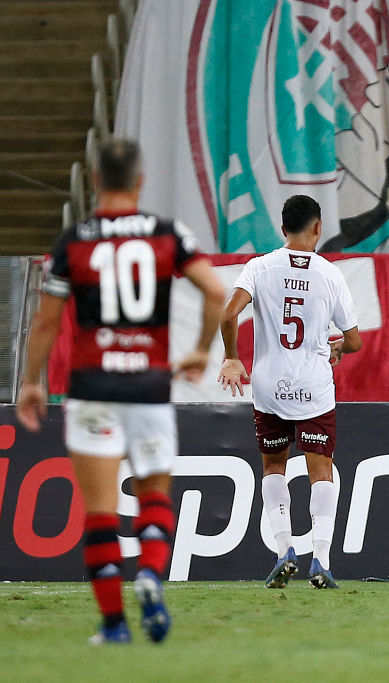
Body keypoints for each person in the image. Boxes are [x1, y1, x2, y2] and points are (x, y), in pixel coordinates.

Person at [15, 138, 225, 644]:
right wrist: (199, 349)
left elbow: (45, 324)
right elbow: (216, 293)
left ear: (93, 180)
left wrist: (30, 382)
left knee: (101, 511)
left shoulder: (74, 241)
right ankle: (150, 575)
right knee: (155, 496)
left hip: (91, 389)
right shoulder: (167, 233)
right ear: (140, 180)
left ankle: (113, 625)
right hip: (149, 387)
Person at [219, 194, 361, 590]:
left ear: (282, 229)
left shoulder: (259, 266)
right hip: (313, 386)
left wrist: (232, 358)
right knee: (321, 470)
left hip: (269, 386)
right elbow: (353, 340)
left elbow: (229, 314)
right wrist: (336, 348)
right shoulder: (330, 274)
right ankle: (322, 560)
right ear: (318, 228)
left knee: (273, 467)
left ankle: (284, 552)